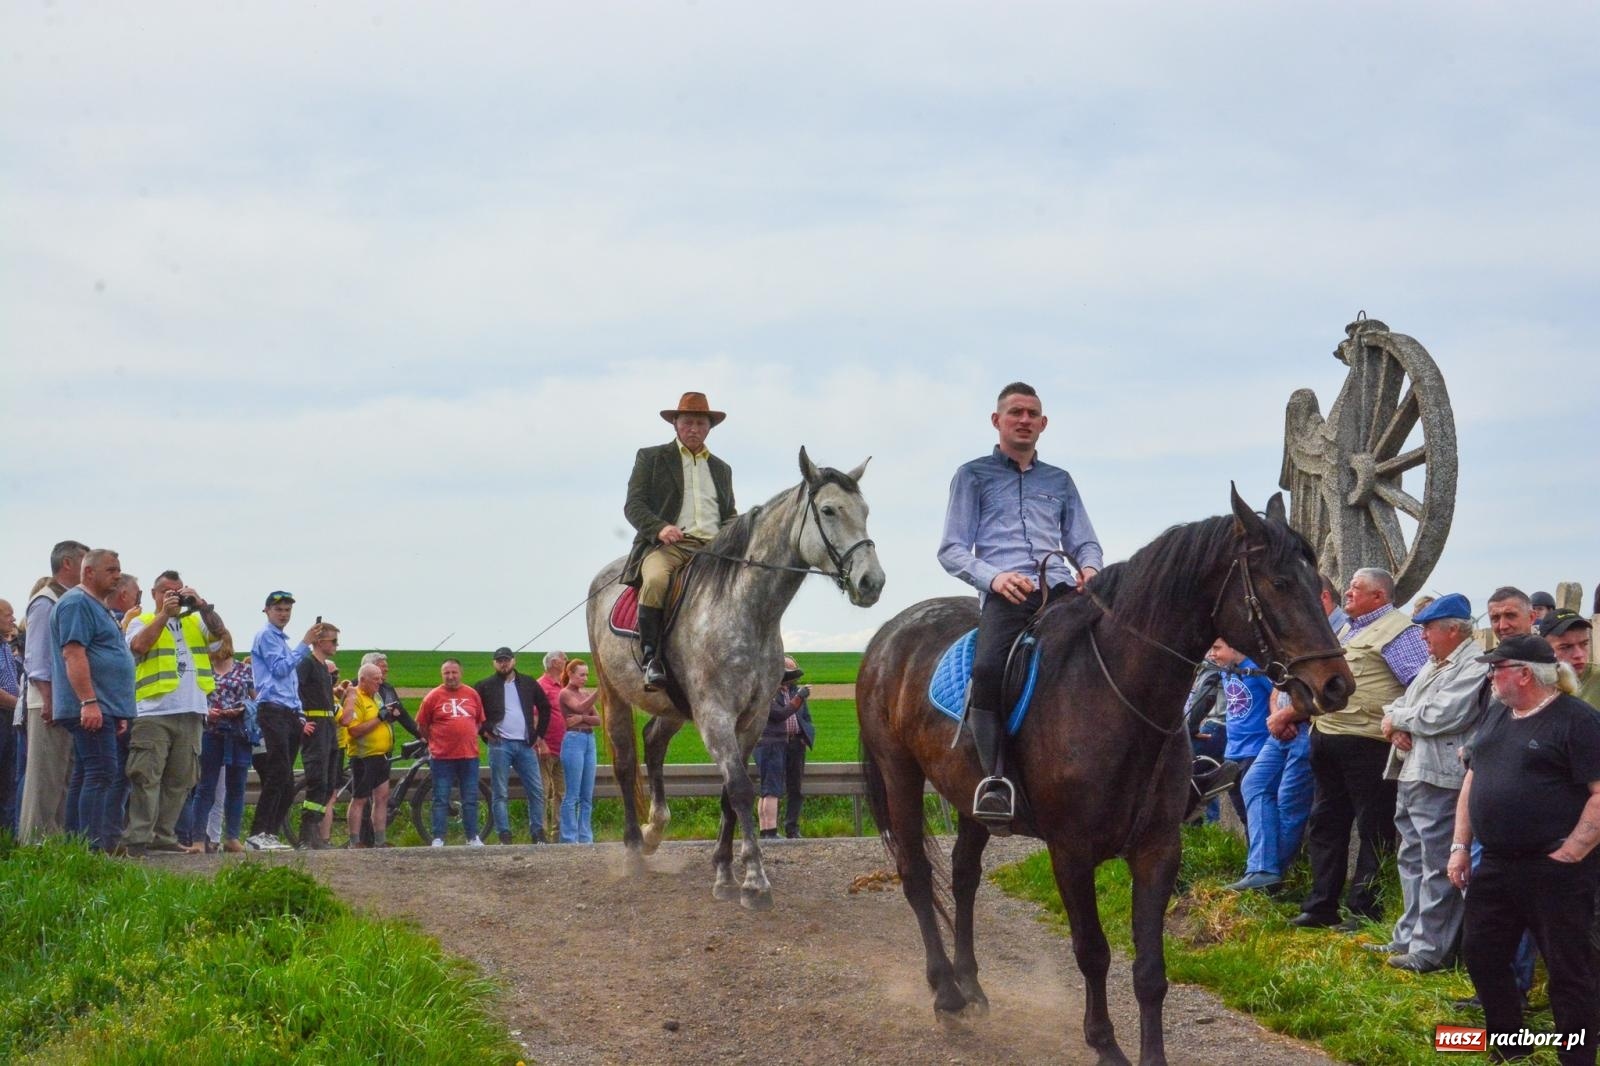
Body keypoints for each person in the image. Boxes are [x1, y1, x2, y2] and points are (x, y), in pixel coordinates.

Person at [937, 382, 1103, 826]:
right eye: (1015, 412)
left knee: (1118, 647)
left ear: (1043, 424)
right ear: (997, 421)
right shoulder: (972, 475)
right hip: (1008, 594)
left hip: (1063, 591)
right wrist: (993, 577)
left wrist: (1090, 568)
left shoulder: (1060, 481)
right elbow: (951, 549)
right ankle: (995, 780)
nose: (1024, 420)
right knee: (989, 669)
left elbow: (1084, 541)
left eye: (1032, 413)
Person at [1449, 635, 1600, 1066]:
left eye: (1496, 668)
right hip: (1496, 863)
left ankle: (1577, 1058)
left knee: (1569, 971)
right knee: (1481, 954)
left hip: (1554, 868)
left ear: (1523, 673)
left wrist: (1572, 851)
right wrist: (1461, 846)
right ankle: (1510, 1047)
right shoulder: (1498, 714)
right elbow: (1473, 780)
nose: (1490, 677)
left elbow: (1599, 792)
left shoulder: (1577, 721)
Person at [1290, 566, 1429, 930]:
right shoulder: (1342, 629)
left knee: (1374, 827)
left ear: (1379, 596)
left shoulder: (1399, 632)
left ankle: (1365, 909)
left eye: (1356, 588)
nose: (1347, 593)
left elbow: (1419, 685)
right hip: (1328, 737)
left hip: (1369, 743)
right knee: (1325, 824)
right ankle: (1321, 905)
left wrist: (1401, 723)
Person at [1370, 593, 1489, 972]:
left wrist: (1399, 721)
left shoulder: (1471, 664)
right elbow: (1395, 705)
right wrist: (1397, 723)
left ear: (1453, 630)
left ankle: (1430, 950)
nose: (1423, 638)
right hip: (1413, 769)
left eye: (1428, 631)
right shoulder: (1435, 663)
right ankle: (1408, 936)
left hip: (1441, 776)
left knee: (1437, 861)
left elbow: (1443, 714)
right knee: (1411, 855)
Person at [622, 391, 737, 689]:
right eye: (688, 422)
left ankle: (772, 661)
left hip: (716, 549)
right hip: (671, 546)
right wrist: (659, 528)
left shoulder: (722, 469)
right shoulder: (652, 458)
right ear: (675, 423)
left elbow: (729, 514)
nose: (694, 428)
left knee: (755, 583)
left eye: (700, 423)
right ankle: (651, 658)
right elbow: (634, 505)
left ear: (709, 427)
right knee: (657, 580)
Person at [123, 570, 227, 855]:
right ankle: (138, 838)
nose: (174, 596)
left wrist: (201, 604)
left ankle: (164, 836)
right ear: (155, 593)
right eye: (168, 591)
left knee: (180, 780)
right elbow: (139, 646)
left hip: (192, 710)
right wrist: (163, 615)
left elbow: (220, 637)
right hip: (153, 711)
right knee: (146, 776)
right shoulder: (140, 621)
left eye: (178, 592)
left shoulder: (196, 621)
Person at [49, 549, 136, 854]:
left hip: (105, 707)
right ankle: (93, 850)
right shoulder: (76, 603)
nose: (117, 575)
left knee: (88, 773)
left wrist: (117, 708)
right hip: (88, 706)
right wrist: (89, 701)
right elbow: (73, 653)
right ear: (89, 572)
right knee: (101, 773)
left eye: (118, 569)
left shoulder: (97, 606)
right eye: (111, 570)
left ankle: (77, 848)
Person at [17, 539, 89, 842]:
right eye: (85, 562)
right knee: (44, 778)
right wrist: (48, 699)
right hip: (47, 702)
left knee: (62, 777)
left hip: (64, 702)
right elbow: (38, 657)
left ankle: (54, 841)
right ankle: (35, 842)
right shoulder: (46, 601)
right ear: (68, 563)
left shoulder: (68, 599)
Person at [247, 592, 324, 851]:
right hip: (273, 710)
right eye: (279, 609)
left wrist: (299, 713)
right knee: (278, 772)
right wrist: (304, 644)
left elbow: (289, 682)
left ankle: (270, 831)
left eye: (287, 610)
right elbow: (280, 669)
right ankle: (258, 831)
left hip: (288, 712)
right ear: (267, 611)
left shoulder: (281, 640)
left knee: (287, 780)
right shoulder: (267, 636)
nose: (284, 614)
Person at [474, 647, 551, 845]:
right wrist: (484, 731)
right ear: (494, 663)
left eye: (506, 659)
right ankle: (504, 835)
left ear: (513, 661)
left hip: (526, 745)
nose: (503, 663)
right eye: (499, 660)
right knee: (500, 792)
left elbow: (545, 707)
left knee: (536, 790)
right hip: (500, 745)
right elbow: (473, 712)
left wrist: (539, 735)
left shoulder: (528, 682)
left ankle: (538, 833)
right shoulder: (485, 686)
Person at [190, 636, 255, 853]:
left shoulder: (244, 670)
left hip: (238, 732)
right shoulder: (203, 669)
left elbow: (257, 699)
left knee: (237, 785)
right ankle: (198, 838)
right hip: (211, 731)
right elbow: (194, 698)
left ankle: (232, 837)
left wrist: (243, 708)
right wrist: (206, 711)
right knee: (206, 786)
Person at [416, 658, 485, 847]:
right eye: (447, 673)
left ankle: (472, 836)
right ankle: (438, 837)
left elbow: (479, 721)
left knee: (470, 798)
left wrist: (465, 735)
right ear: (442, 675)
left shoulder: (472, 694)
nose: (451, 676)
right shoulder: (432, 697)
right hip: (442, 757)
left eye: (454, 672)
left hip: (469, 756)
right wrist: (436, 740)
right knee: (440, 798)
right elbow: (422, 725)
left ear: (460, 673)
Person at [293, 622, 341, 849]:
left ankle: (316, 836)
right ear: (319, 642)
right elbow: (292, 690)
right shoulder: (307, 664)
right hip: (316, 727)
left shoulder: (323, 668)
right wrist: (299, 721)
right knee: (316, 780)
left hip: (329, 727)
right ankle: (306, 837)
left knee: (329, 783)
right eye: (333, 641)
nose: (336, 645)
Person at [340, 662, 393, 848]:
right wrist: (380, 718)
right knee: (360, 798)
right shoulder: (355, 698)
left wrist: (388, 715)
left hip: (381, 755)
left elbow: (380, 718)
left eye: (381, 678)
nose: (380, 682)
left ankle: (380, 840)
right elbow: (354, 730)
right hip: (363, 757)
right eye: (375, 679)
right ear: (363, 680)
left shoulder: (376, 696)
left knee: (382, 797)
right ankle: (355, 842)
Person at [755, 665, 806, 839]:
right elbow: (780, 714)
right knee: (772, 790)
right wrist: (800, 697)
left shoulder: (762, 691)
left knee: (766, 790)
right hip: (772, 744)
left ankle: (765, 830)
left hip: (766, 744)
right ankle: (770, 832)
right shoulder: (767, 695)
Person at [558, 658, 602, 844]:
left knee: (587, 795)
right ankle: (569, 837)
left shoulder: (583, 693)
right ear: (571, 674)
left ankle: (585, 837)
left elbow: (598, 720)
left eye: (587, 675)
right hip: (574, 740)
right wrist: (599, 691)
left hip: (588, 739)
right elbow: (579, 707)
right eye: (581, 674)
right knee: (572, 794)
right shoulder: (565, 693)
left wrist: (582, 718)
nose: (585, 678)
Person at [781, 658, 815, 839]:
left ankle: (792, 828)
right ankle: (769, 829)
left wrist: (804, 737)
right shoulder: (773, 693)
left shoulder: (797, 692)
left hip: (795, 744)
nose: (793, 678)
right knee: (773, 788)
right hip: (777, 744)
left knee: (796, 788)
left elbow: (806, 717)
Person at [536, 650, 568, 842]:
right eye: (564, 658)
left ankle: (559, 834)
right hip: (546, 748)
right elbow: (534, 716)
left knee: (561, 792)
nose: (566, 661)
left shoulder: (563, 686)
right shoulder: (542, 686)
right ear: (554, 662)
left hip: (564, 748)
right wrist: (541, 742)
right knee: (543, 791)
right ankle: (542, 834)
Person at [1542, 610, 1600, 709]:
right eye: (1565, 647)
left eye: (1584, 644)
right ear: (1544, 649)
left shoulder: (1596, 680)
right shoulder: (1534, 684)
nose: (1579, 654)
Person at [0, 600, 22, 835]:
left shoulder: (5, 646)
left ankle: (6, 835)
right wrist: (20, 705)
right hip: (4, 713)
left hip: (8, 718)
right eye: (8, 615)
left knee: (8, 778)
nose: (13, 620)